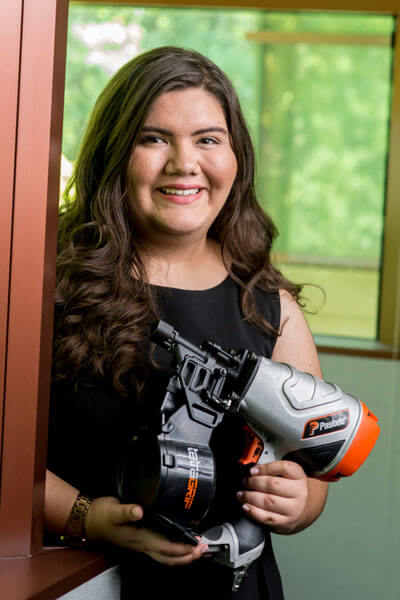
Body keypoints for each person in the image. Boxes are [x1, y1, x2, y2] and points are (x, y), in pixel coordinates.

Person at [46, 46, 328, 599]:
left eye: (208, 139)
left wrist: (299, 503)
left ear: (235, 157)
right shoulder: (45, 286)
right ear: (114, 154)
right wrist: (85, 516)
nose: (184, 163)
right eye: (154, 139)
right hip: (82, 583)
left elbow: (310, 472)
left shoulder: (269, 306)